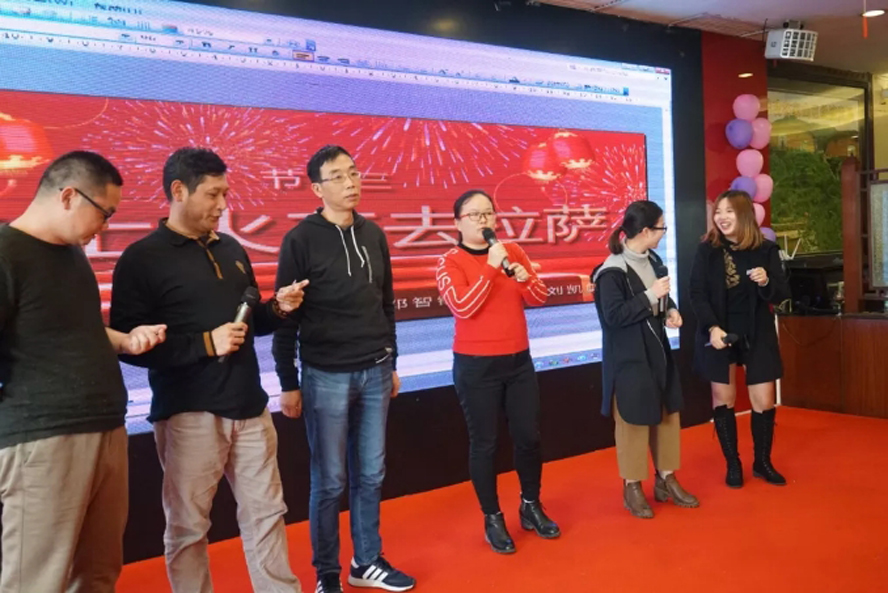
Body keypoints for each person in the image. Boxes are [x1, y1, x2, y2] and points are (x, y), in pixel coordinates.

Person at [110, 147, 306, 593]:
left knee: (267, 514)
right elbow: (128, 346)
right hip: (188, 415)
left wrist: (279, 308)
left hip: (250, 407)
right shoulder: (141, 259)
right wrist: (204, 343)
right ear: (179, 191)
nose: (222, 205)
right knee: (188, 528)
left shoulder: (232, 247)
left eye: (225, 194)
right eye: (213, 194)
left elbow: (248, 322)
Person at [0, 151, 166, 592]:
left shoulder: (72, 256)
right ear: (68, 196)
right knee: (36, 580)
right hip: (44, 437)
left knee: (98, 572)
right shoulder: (6, 253)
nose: (105, 226)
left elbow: (76, 327)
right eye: (104, 213)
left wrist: (125, 341)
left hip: (105, 428)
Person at [273, 145, 415, 593]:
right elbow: (285, 314)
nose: (351, 182)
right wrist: (288, 382)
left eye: (353, 172)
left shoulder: (373, 234)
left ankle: (366, 561)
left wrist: (392, 361)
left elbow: (386, 304)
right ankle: (327, 573)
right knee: (330, 480)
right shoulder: (300, 240)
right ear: (317, 189)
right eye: (337, 176)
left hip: (376, 371)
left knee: (371, 473)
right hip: (325, 376)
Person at [435, 189, 559, 554]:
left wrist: (522, 277)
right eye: (474, 215)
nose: (484, 220)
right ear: (457, 223)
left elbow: (540, 297)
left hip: (518, 362)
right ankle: (492, 517)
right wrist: (491, 267)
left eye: (488, 213)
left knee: (529, 437)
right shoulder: (450, 261)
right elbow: (463, 307)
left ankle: (531, 505)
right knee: (485, 444)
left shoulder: (513, 252)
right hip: (476, 367)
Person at [592, 200, 699, 519]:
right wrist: (651, 296)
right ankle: (632, 486)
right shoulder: (611, 271)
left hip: (657, 353)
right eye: (661, 228)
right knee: (633, 421)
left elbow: (661, 295)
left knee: (667, 414)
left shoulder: (653, 259)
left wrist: (671, 309)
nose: (664, 233)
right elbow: (613, 316)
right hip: (628, 359)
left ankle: (666, 478)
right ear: (645, 231)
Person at [689, 190, 790, 489]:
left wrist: (766, 281)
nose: (721, 217)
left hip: (757, 332)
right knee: (724, 398)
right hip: (719, 333)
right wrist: (712, 328)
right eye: (718, 212)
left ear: (744, 214)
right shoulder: (707, 251)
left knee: (764, 400)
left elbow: (781, 293)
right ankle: (733, 463)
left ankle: (762, 462)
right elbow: (697, 293)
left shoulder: (766, 250)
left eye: (729, 211)